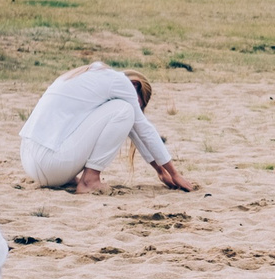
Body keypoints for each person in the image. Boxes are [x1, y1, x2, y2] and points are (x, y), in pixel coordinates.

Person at [22, 61, 195, 193]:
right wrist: (175, 174)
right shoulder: (120, 83)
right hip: (51, 165)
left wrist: (160, 170)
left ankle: (74, 178)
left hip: (31, 163)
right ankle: (90, 180)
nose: (138, 112)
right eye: (140, 105)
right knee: (126, 110)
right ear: (135, 85)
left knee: (127, 112)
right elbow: (144, 129)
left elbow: (136, 130)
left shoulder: (89, 76)